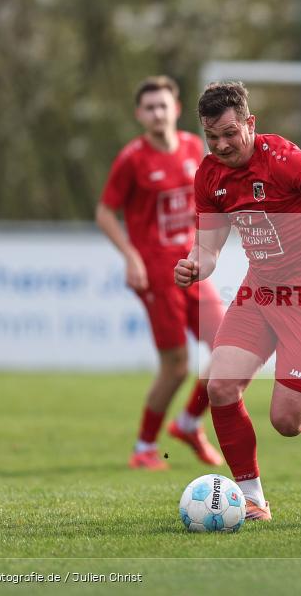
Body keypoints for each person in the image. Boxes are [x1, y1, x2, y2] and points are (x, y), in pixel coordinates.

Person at [174, 81, 301, 521]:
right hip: (259, 290)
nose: (221, 145)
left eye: (229, 133)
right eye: (211, 136)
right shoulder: (209, 176)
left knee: (287, 422)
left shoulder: (282, 159)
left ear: (250, 124)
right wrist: (195, 264)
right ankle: (252, 498)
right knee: (220, 386)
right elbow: (209, 248)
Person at [97, 76, 226, 471]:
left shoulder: (193, 147)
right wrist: (131, 257)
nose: (157, 113)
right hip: (156, 273)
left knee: (230, 349)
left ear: (176, 108)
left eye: (163, 105)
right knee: (177, 366)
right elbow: (105, 212)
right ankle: (144, 447)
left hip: (192, 267)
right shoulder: (132, 159)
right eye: (149, 107)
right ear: (140, 114)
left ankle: (187, 424)